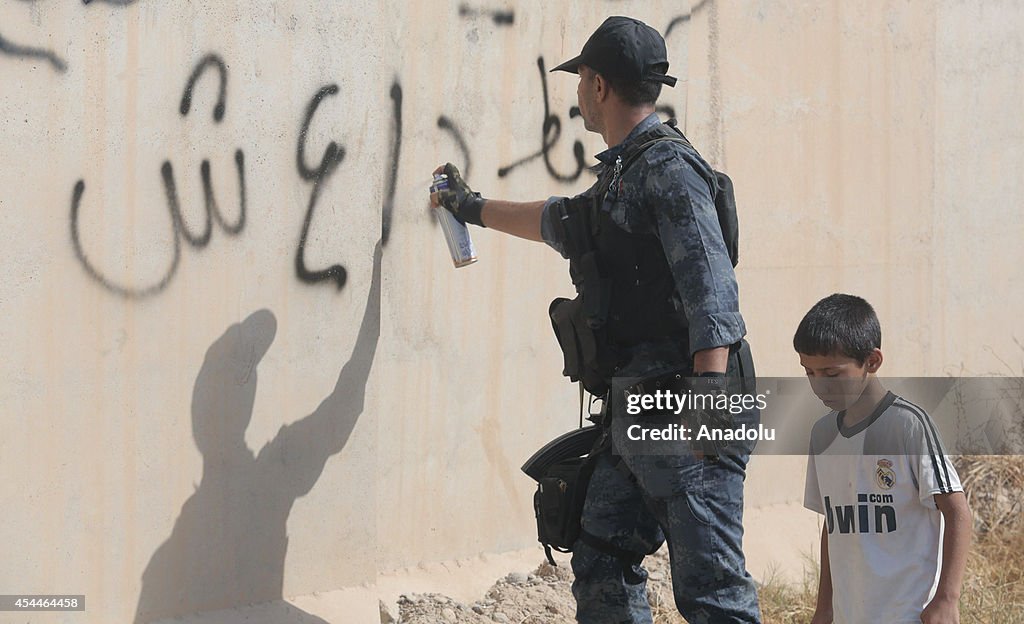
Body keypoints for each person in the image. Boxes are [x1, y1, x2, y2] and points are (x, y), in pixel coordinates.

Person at [431, 15, 761, 624]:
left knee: (712, 593)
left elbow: (711, 288)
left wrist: (708, 406)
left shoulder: (668, 169)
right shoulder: (623, 174)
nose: (578, 92)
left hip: (688, 410)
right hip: (637, 406)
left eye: (581, 79)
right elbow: (560, 222)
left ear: (599, 86)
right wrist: (468, 207)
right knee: (601, 552)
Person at [795, 293, 972, 624]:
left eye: (832, 374)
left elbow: (957, 512)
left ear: (872, 362)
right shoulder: (822, 435)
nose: (820, 386)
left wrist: (947, 599)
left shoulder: (909, 424)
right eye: (809, 373)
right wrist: (824, 608)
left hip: (908, 613)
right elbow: (833, 524)